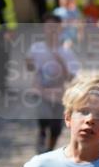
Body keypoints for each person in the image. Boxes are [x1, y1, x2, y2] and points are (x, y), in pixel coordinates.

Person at [26, 14, 80, 154]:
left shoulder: (66, 52)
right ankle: (42, 133)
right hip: (41, 92)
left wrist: (60, 60)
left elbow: (70, 77)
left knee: (56, 126)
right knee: (44, 116)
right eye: (48, 27)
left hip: (59, 95)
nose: (51, 30)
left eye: (54, 27)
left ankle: (49, 150)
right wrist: (29, 63)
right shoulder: (36, 47)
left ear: (60, 29)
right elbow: (29, 66)